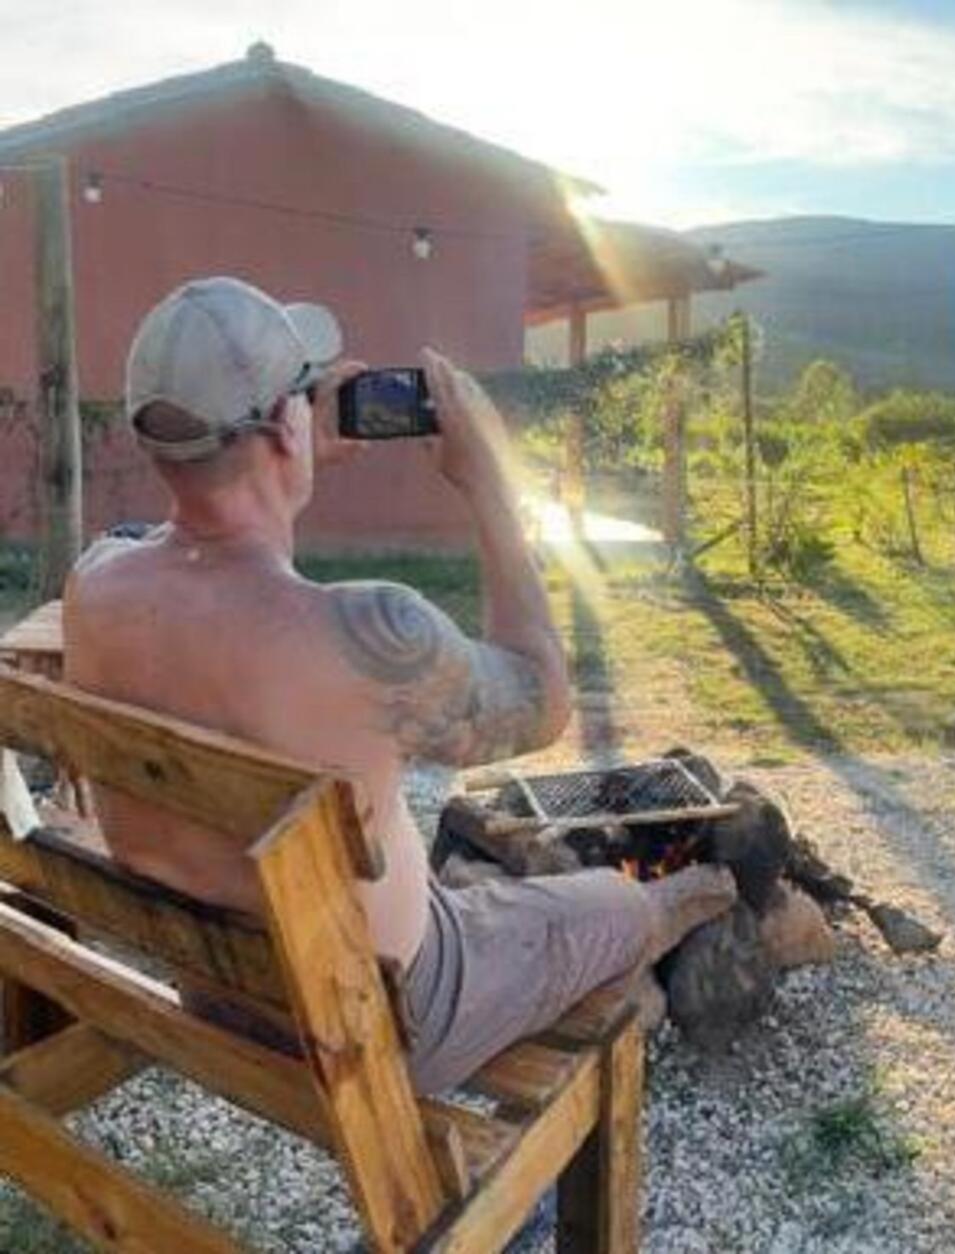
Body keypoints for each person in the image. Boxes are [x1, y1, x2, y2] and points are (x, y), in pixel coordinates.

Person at [63, 276, 736, 1092]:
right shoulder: (372, 636)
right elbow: (543, 700)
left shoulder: (94, 586)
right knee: (615, 904)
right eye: (305, 399)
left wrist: (294, 459)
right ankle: (709, 896)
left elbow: (217, 561)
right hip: (381, 1022)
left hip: (215, 990)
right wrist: (489, 481)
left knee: (481, 899)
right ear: (285, 423)